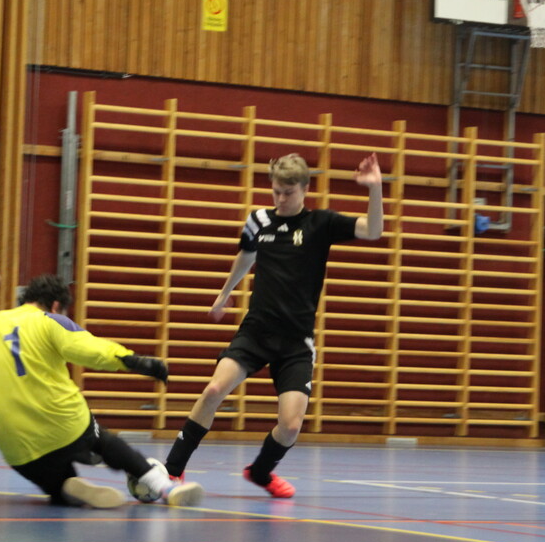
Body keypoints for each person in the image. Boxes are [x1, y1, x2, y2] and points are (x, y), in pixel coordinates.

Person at [163, 153, 385, 498]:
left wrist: (374, 188)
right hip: (256, 332)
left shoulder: (321, 224)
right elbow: (246, 255)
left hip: (296, 342)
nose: (281, 199)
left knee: (291, 425)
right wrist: (225, 293)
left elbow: (373, 230)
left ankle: (260, 472)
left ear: (305, 189)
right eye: (276, 191)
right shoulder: (258, 220)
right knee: (214, 390)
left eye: (288, 193)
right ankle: (172, 469)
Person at [0, 274, 205, 509]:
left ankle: (66, 488)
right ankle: (162, 486)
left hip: (19, 448)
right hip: (65, 424)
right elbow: (90, 349)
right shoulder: (50, 321)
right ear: (55, 305)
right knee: (105, 442)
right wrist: (134, 361)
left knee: (50, 477)